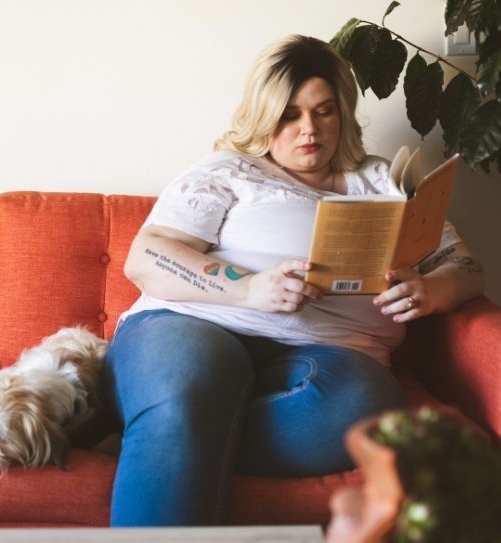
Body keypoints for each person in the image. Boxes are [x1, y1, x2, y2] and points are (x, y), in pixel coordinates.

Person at [102, 35, 484, 526]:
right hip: (195, 324)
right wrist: (248, 287)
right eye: (289, 114)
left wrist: (433, 291)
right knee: (189, 387)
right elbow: (146, 257)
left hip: (333, 354)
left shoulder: (384, 182)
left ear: (342, 113)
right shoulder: (229, 171)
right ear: (263, 116)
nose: (309, 129)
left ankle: (152, 429)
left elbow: (468, 267)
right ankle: (166, 417)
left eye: (324, 111)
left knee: (362, 406)